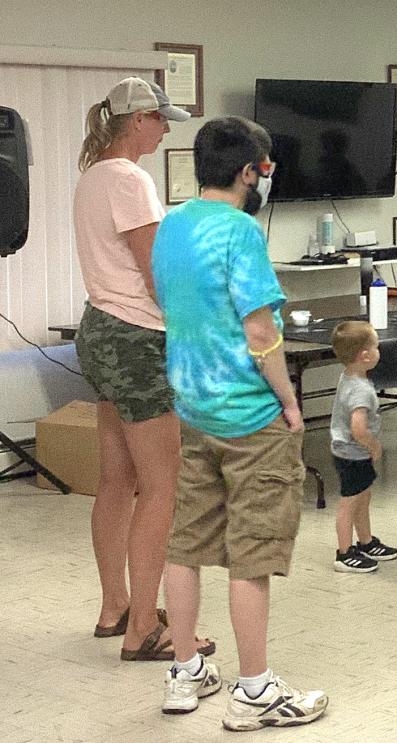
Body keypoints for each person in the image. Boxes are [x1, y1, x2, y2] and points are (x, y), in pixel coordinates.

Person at [152, 116, 327, 729]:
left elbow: (172, 303)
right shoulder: (241, 233)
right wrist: (289, 401)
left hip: (193, 409)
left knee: (187, 542)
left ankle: (184, 671)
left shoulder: (170, 226)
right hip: (250, 417)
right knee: (252, 554)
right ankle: (254, 690)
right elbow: (260, 331)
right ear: (250, 171)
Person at [73, 77, 209, 661]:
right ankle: (145, 631)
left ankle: (115, 607)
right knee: (162, 487)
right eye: (161, 119)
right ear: (138, 121)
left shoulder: (91, 177)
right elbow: (156, 274)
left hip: (99, 330)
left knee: (117, 479)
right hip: (136, 339)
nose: (166, 129)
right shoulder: (129, 178)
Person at [328, 321, 397, 574]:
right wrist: (373, 444)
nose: (379, 352)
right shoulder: (360, 391)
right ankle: (344, 553)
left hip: (347, 451)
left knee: (362, 497)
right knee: (350, 502)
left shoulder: (348, 376)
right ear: (365, 356)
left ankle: (366, 541)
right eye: (376, 347)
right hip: (353, 454)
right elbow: (358, 428)